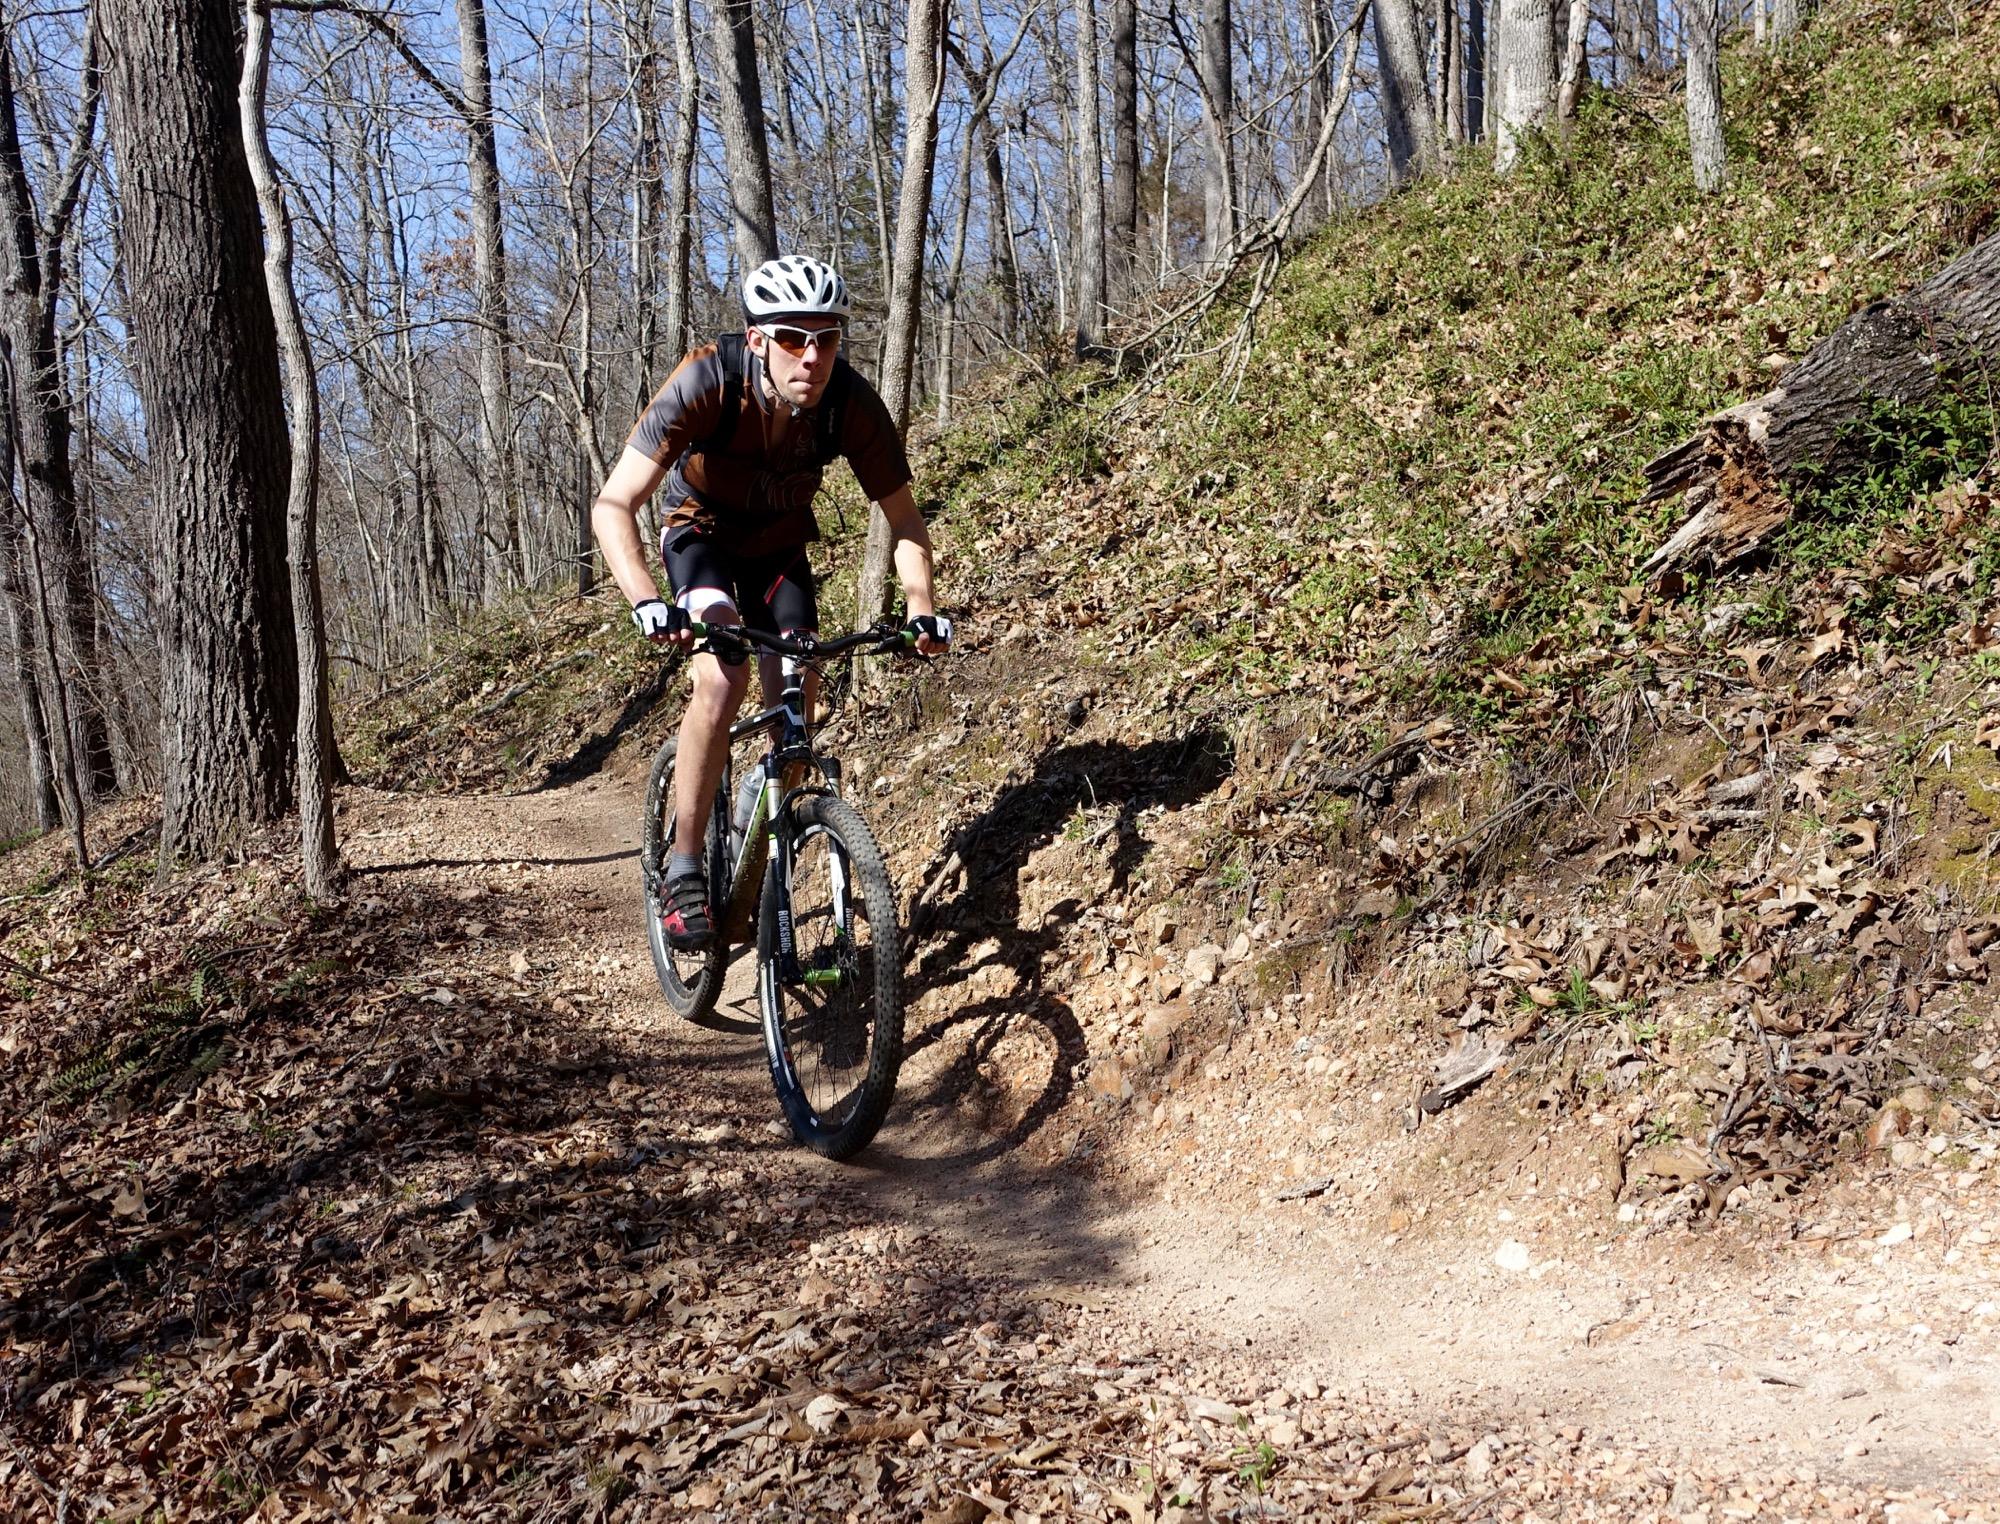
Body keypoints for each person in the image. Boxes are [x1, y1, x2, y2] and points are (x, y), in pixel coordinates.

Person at [593, 254, 950, 951]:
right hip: (701, 540)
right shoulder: (707, 380)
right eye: (792, 336)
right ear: (757, 338)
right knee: (721, 678)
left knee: (797, 702)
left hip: (780, 552)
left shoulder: (849, 403)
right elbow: (613, 504)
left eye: (827, 337)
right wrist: (643, 599)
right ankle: (688, 866)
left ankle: (762, 816)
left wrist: (920, 608)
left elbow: (905, 521)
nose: (811, 356)